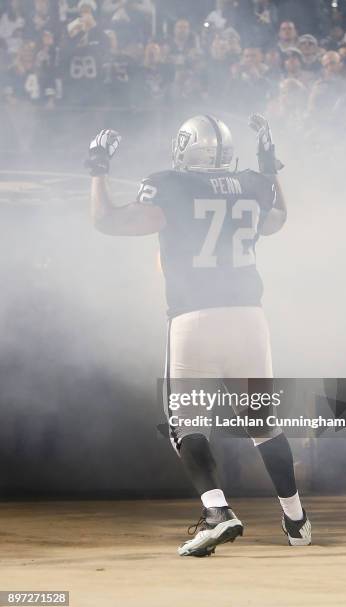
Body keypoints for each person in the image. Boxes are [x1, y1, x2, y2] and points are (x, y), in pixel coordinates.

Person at [85, 114, 312, 557]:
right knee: (262, 424)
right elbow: (278, 221)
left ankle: (217, 512)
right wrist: (270, 171)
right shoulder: (251, 183)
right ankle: (297, 518)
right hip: (249, 318)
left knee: (185, 423)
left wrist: (98, 170)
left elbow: (107, 221)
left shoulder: (169, 184)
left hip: (195, 319)